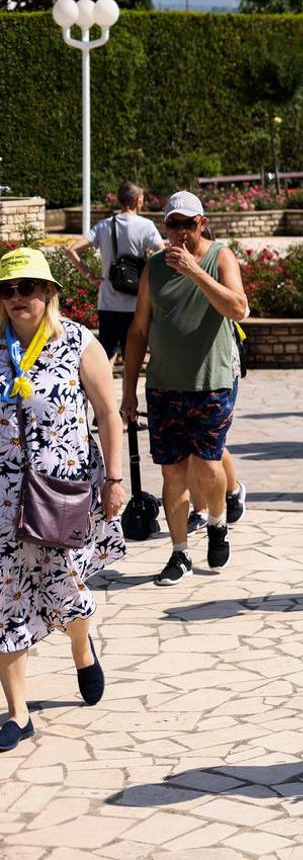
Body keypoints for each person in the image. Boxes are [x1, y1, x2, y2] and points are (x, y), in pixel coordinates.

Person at [0, 248, 127, 754]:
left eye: (26, 287)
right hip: (4, 500)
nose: (16, 298)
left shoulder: (77, 342)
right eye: (7, 289)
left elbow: (108, 415)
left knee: (66, 589)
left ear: (48, 293)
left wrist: (114, 480)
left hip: (62, 493)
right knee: (5, 602)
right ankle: (18, 713)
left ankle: (81, 647)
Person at [120, 192, 249, 586]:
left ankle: (216, 522)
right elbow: (139, 330)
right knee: (172, 474)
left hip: (212, 381)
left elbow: (238, 308)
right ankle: (179, 554)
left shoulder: (219, 257)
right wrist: (128, 391)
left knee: (208, 465)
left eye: (187, 224)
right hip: (164, 385)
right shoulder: (153, 268)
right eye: (173, 225)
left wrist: (195, 272)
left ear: (202, 223)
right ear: (164, 227)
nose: (180, 232)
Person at [66, 180, 163, 363]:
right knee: (132, 356)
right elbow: (161, 252)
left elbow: (72, 250)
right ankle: (129, 391)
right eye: (141, 198)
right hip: (135, 303)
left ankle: (107, 391)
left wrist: (90, 275)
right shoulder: (146, 226)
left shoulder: (104, 226)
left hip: (107, 302)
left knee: (107, 355)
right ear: (136, 200)